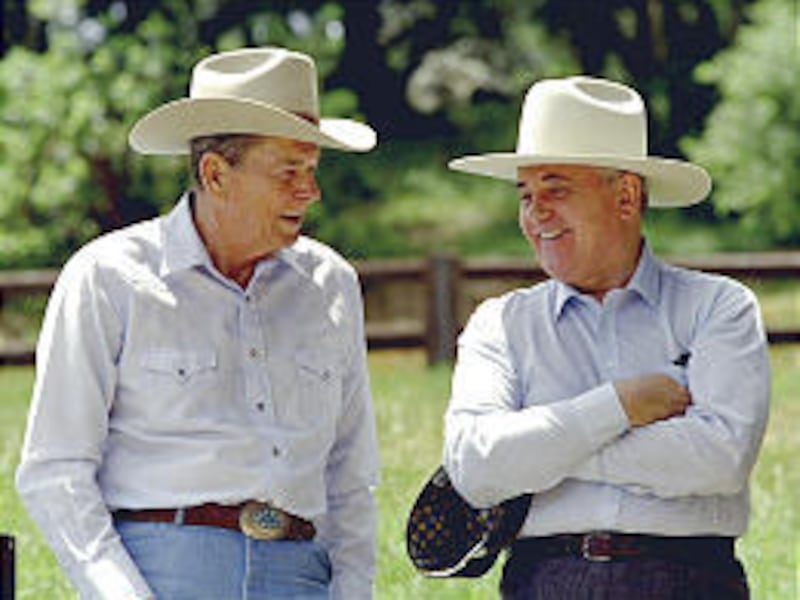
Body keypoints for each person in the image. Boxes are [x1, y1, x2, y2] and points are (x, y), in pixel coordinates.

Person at [16, 47, 380, 600]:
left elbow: (351, 477)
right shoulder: (107, 278)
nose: (310, 191)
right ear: (215, 174)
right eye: (289, 172)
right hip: (160, 578)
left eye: (312, 170)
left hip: (303, 576)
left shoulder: (332, 284)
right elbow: (55, 470)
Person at [442, 76, 770, 599]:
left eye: (556, 190)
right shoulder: (499, 323)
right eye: (526, 195)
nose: (535, 212)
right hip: (545, 580)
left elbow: (721, 458)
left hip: (691, 580)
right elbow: (474, 468)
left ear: (625, 196)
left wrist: (543, 449)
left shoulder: (718, 307)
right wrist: (620, 405)